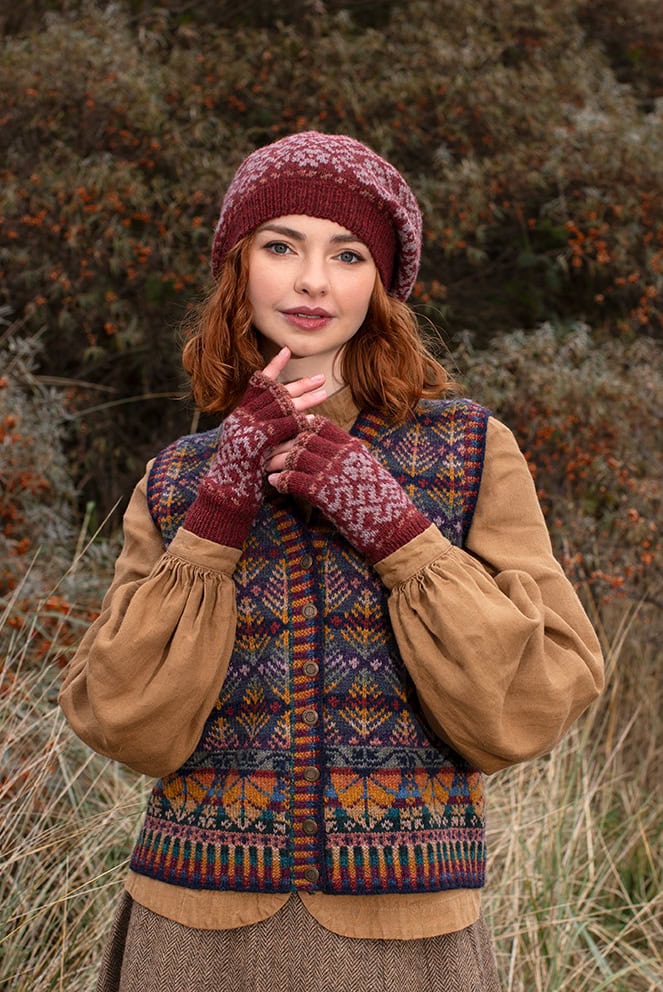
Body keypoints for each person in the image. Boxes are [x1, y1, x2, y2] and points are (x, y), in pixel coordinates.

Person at [59, 131, 604, 992]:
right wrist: (217, 511)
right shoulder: (176, 479)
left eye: (347, 254)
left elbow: (536, 702)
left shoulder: (469, 451)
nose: (313, 281)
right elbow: (126, 722)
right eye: (281, 246)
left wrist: (395, 529)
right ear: (239, 267)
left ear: (379, 286)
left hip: (406, 944)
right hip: (190, 939)